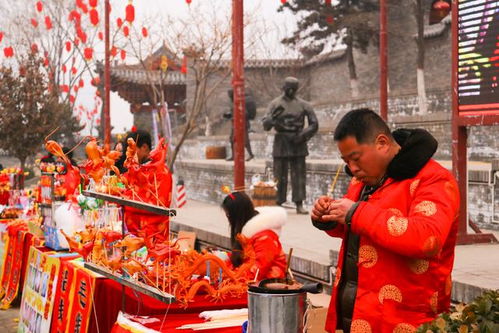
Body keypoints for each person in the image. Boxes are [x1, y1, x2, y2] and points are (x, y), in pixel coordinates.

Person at [311, 109, 460, 332]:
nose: (352, 169)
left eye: (355, 158)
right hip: (357, 311)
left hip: (404, 320)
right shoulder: (365, 178)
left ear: (382, 143)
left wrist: (354, 213)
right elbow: (358, 229)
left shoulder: (433, 179)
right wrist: (330, 217)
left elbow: (427, 238)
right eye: (346, 161)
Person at [262, 77, 318, 214]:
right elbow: (266, 125)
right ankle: (278, 201)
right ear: (284, 87)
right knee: (279, 173)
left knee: (299, 174)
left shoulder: (304, 105)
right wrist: (270, 120)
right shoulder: (275, 104)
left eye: (293, 88)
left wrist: (303, 135)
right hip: (281, 139)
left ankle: (299, 203)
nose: (290, 90)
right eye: (288, 87)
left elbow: (314, 124)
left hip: (298, 139)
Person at [221, 191, 287, 280]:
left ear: (237, 216)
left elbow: (258, 271)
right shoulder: (247, 233)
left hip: (268, 284)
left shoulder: (264, 238)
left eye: (229, 215)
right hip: (253, 278)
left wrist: (234, 277)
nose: (228, 219)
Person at [224, 89, 255, 161]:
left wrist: (235, 116)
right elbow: (233, 113)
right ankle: (233, 155)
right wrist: (229, 115)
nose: (230, 97)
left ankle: (251, 154)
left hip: (242, 124)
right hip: (234, 125)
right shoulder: (234, 103)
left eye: (230, 96)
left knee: (245, 140)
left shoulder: (240, 102)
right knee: (232, 140)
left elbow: (245, 114)